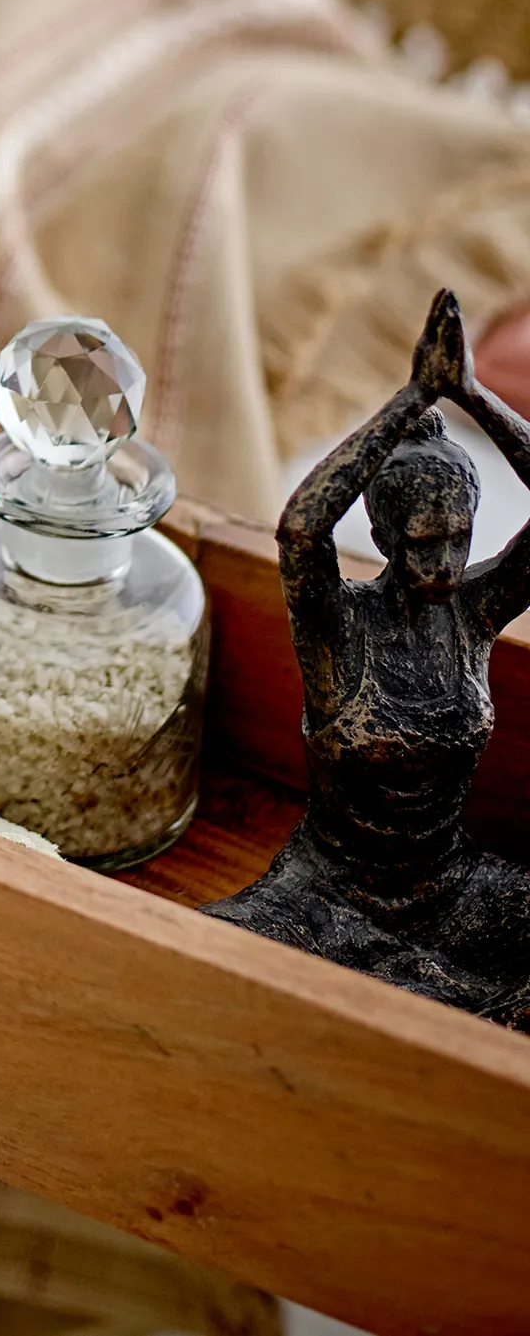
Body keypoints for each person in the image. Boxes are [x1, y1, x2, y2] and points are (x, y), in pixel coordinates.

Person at [207, 289, 530, 1023]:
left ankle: (443, 1019)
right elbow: (299, 532)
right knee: (206, 958)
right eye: (422, 542)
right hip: (324, 892)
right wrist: (409, 400)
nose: (445, 562)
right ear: (383, 537)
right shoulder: (339, 624)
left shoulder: (474, 613)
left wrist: (471, 395)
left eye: (458, 537)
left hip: (453, 886)